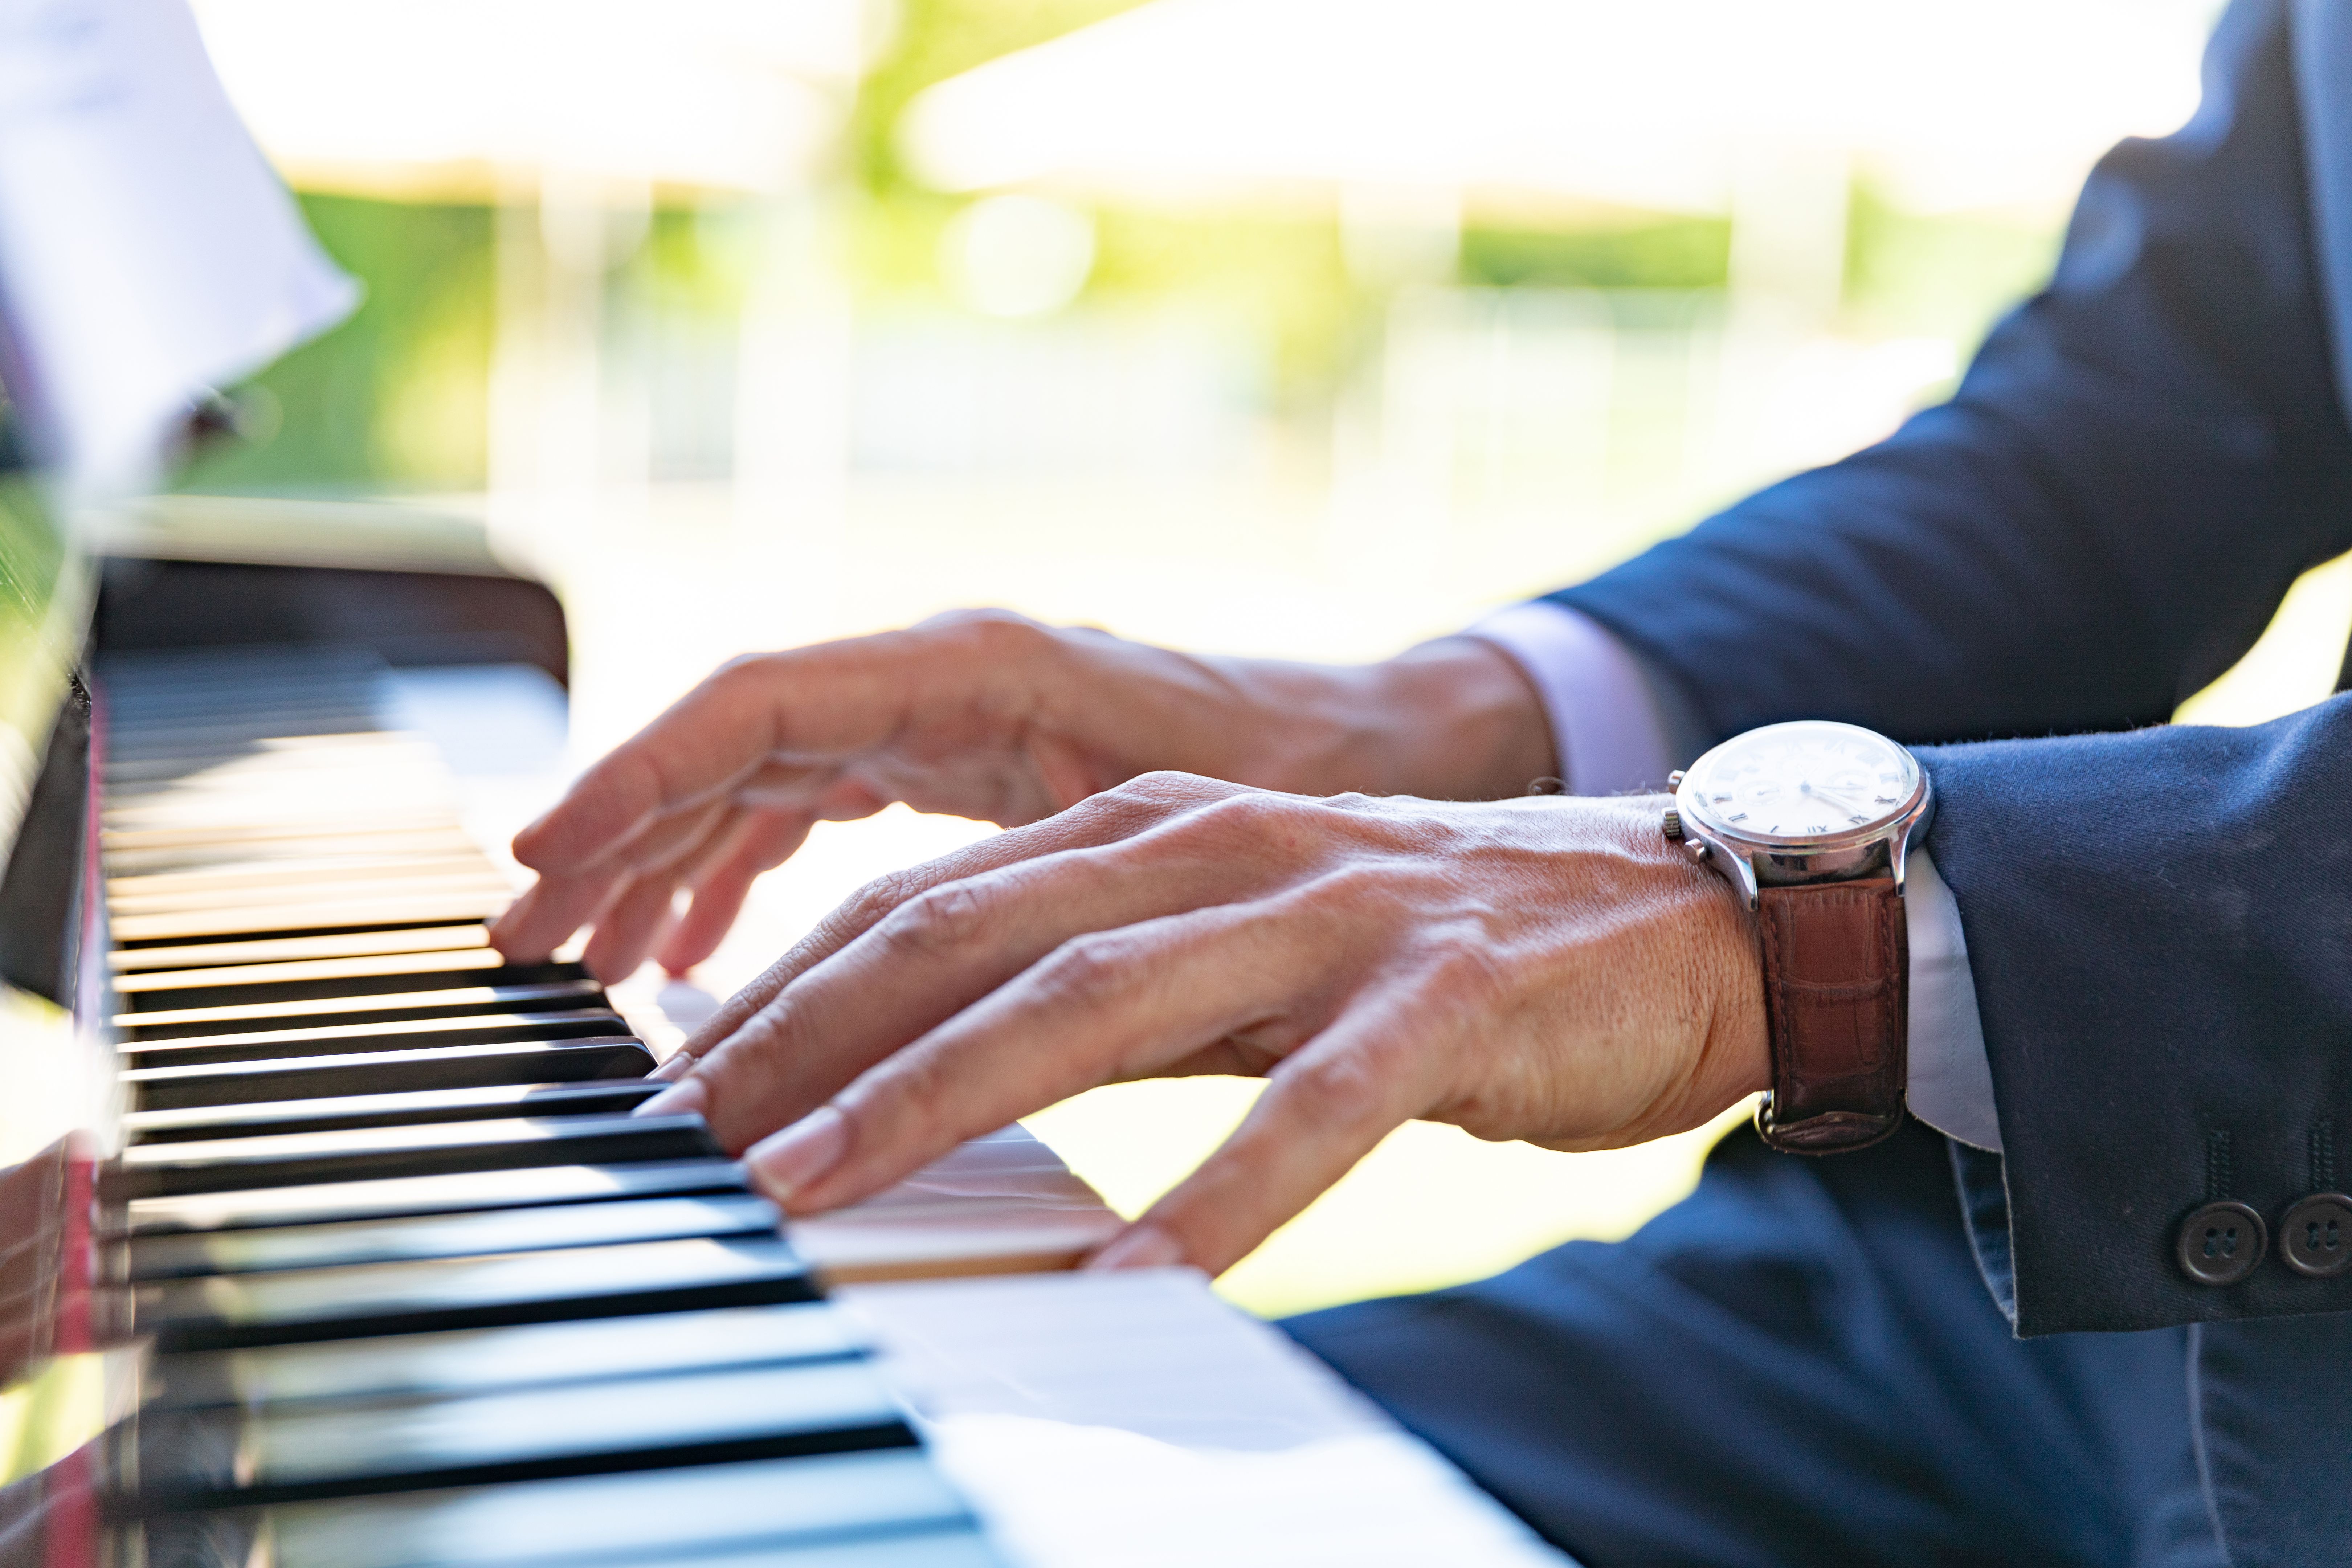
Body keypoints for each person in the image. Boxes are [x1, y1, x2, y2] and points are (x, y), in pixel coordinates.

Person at [490, 0, 2352, 1560]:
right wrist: (1439, 724)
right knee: (783, 1521)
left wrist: (1809, 949)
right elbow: (2156, 408)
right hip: (1973, 1296)